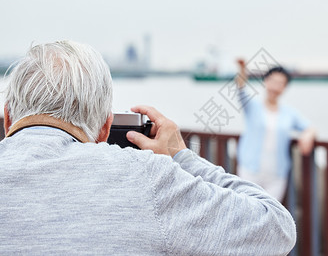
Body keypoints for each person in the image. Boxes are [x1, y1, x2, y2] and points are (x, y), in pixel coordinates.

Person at [0, 41, 296, 255]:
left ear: (9, 118)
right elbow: (276, 228)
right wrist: (181, 156)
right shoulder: (144, 177)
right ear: (105, 128)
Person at [236, 59, 316, 202]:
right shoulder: (253, 107)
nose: (275, 87)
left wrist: (307, 135)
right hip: (249, 171)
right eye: (273, 81)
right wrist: (243, 70)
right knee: (246, 212)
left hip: (276, 176)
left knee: (270, 216)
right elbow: (241, 90)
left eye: (281, 83)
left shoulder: (289, 114)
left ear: (285, 87)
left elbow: (309, 127)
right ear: (265, 82)